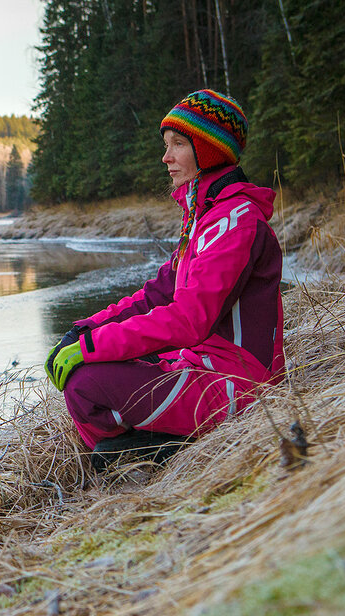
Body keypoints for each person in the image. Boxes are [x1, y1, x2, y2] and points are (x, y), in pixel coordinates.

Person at [44, 89, 284, 469]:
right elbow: (155, 295)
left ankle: (148, 457)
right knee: (92, 372)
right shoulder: (204, 218)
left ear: (209, 152)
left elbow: (189, 319)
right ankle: (153, 445)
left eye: (178, 144)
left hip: (238, 385)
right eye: (166, 144)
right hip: (199, 364)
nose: (166, 157)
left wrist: (90, 348)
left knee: (86, 385)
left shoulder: (236, 222)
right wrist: (84, 330)